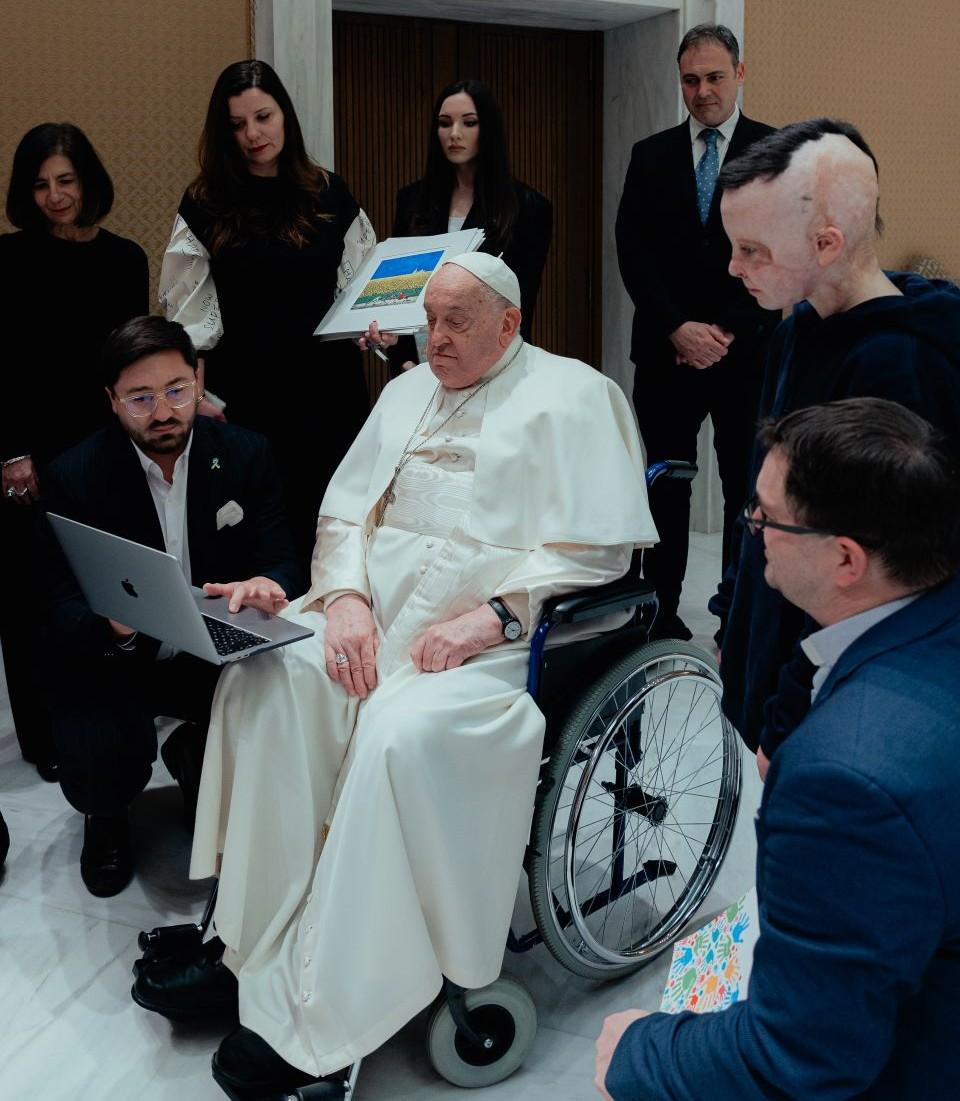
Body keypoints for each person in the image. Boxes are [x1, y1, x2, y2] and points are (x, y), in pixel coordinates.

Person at [133, 253, 657, 1096]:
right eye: (429, 321)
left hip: (497, 644)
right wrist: (343, 598)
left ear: (509, 324)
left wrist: (494, 616)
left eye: (456, 322)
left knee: (395, 735)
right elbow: (344, 514)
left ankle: (336, 1000)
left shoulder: (576, 395)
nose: (434, 339)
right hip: (373, 615)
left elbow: (599, 550)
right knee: (266, 676)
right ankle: (248, 941)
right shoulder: (406, 390)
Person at [596, 397, 960, 1101]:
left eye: (766, 517)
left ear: (846, 558)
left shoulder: (845, 781)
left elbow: (797, 1059)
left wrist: (638, 1051)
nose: (752, 529)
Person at [710, 118, 960, 761]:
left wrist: (790, 713)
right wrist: (733, 614)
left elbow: (867, 579)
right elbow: (761, 493)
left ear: (826, 244)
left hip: (830, 691)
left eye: (753, 250)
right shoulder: (796, 330)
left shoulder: (898, 365)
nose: (734, 267)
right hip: (772, 629)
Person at [42, 316, 302, 898]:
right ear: (112, 401)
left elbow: (283, 556)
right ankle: (106, 816)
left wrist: (267, 582)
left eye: (177, 390)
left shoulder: (245, 453)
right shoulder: (75, 475)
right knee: (95, 743)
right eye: (140, 398)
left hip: (213, 646)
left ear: (198, 381)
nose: (162, 412)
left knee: (280, 694)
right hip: (118, 653)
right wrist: (110, 625)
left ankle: (196, 759)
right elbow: (56, 603)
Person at [159, 59, 377, 563]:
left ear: (286, 116)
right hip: (246, 401)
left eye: (263, 117)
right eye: (238, 124)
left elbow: (363, 289)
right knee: (256, 543)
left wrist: (376, 329)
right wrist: (196, 397)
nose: (253, 134)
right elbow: (189, 322)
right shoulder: (204, 202)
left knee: (335, 535)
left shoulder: (329, 192)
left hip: (329, 394)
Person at [615, 24, 778, 642]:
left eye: (714, 77)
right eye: (690, 80)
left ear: (740, 73)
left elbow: (778, 251)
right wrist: (678, 328)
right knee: (665, 488)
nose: (703, 90)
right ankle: (660, 614)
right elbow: (633, 252)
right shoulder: (650, 155)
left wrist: (725, 331)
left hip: (747, 355)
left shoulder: (775, 152)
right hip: (667, 355)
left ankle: (737, 614)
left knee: (747, 489)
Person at [0, 122, 149, 781]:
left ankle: (103, 725)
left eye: (66, 180)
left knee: (102, 593)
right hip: (27, 457)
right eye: (40, 185)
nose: (55, 195)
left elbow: (130, 362)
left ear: (88, 181)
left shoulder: (125, 259)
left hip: (102, 450)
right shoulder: (7, 259)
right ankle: (43, 738)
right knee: (29, 598)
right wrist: (10, 452)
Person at [386, 78, 552, 371]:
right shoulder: (412, 200)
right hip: (419, 362)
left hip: (491, 363)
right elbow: (400, 290)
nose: (454, 134)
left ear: (487, 129)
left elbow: (519, 302)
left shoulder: (527, 207)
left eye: (469, 123)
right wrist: (403, 360)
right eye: (444, 123)